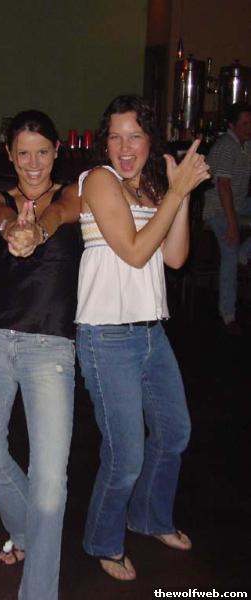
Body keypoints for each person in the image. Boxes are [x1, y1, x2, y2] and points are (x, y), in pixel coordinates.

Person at [75, 95, 210, 581]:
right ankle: (103, 540)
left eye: (134, 135)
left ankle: (150, 517)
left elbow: (173, 257)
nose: (124, 146)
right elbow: (134, 252)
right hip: (106, 337)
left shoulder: (151, 189)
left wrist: (180, 193)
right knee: (125, 455)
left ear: (151, 141)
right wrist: (176, 194)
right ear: (104, 143)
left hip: (152, 333)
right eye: (115, 136)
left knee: (174, 433)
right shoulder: (99, 180)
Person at [0, 110, 82, 600]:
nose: (33, 163)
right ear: (10, 156)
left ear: (56, 151)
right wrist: (14, 225)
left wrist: (39, 231)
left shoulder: (74, 194)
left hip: (49, 347)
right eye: (23, 153)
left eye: (42, 151)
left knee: (49, 483)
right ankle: (31, 534)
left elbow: (62, 213)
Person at [203, 102, 251, 335]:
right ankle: (228, 314)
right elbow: (223, 187)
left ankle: (245, 252)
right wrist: (233, 224)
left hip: (239, 204)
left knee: (237, 250)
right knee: (230, 252)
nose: (249, 127)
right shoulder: (226, 146)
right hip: (218, 209)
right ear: (232, 125)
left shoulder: (247, 145)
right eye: (245, 123)